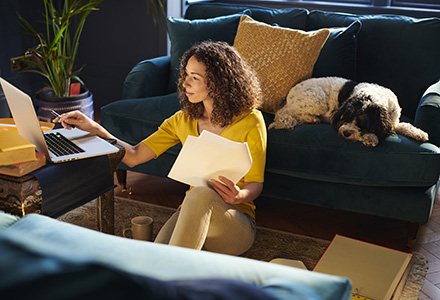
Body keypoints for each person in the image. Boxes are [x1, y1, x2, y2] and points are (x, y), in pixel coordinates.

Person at [54, 41, 267, 255]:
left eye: (195, 77)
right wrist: (94, 128)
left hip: (235, 225)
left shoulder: (250, 121)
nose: (185, 84)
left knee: (200, 194)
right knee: (156, 255)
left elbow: (255, 183)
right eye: (185, 75)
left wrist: (239, 196)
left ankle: (168, 280)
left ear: (218, 83)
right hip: (192, 212)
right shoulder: (182, 120)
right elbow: (134, 157)